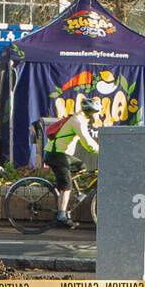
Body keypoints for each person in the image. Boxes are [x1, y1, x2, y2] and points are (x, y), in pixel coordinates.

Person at [43, 94, 101, 227]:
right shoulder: (77, 121)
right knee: (66, 186)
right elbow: (87, 142)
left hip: (63, 154)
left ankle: (67, 185)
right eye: (96, 113)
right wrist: (102, 150)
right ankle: (61, 216)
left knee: (82, 166)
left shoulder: (80, 119)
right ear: (90, 113)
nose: (96, 116)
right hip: (57, 154)